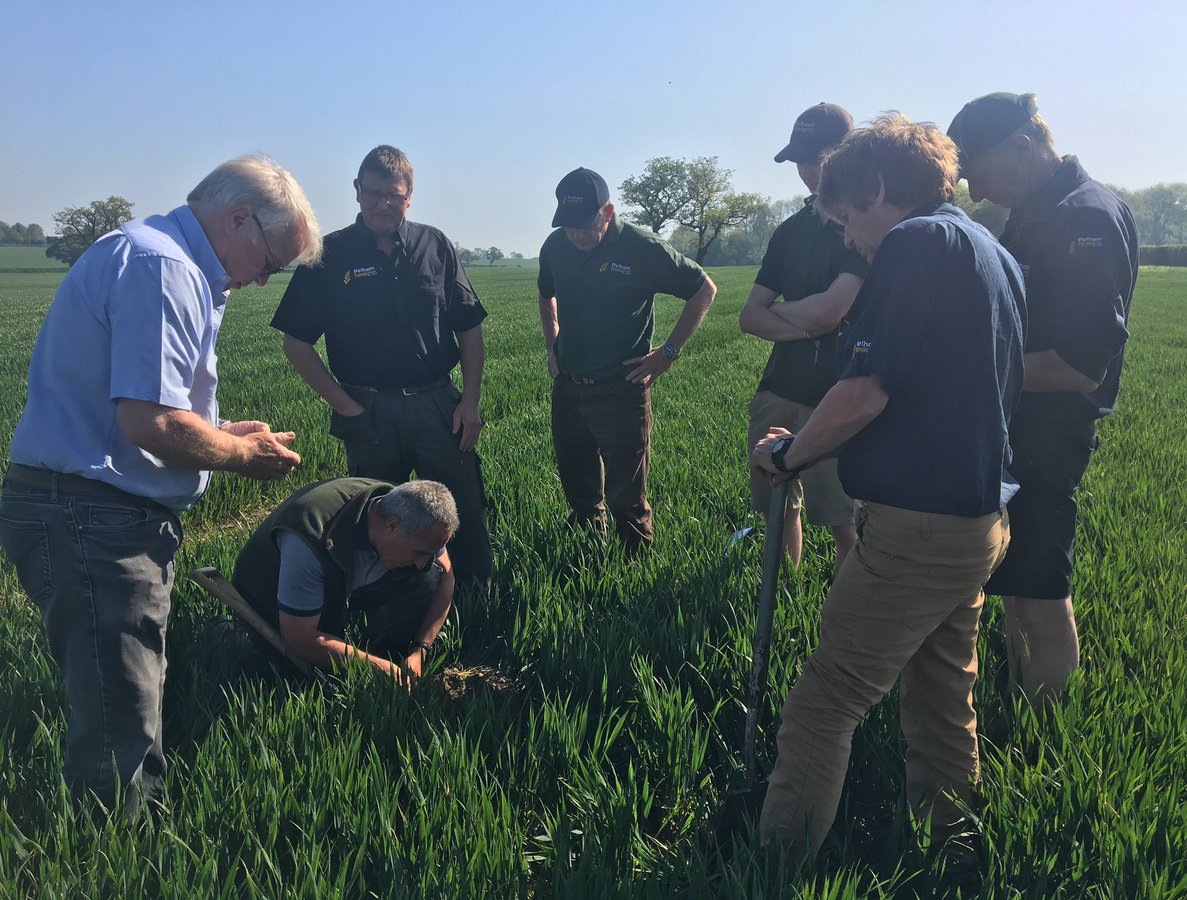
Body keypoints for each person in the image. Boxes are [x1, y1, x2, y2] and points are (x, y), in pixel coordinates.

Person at [0, 156, 322, 817]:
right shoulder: (164, 267)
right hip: (94, 520)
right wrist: (237, 452)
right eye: (272, 261)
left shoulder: (158, 256)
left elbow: (143, 413)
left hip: (89, 509)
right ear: (239, 219)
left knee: (121, 702)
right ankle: (118, 859)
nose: (264, 279)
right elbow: (147, 422)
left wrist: (222, 431)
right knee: (121, 726)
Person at [752, 115, 1026, 857]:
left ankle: (773, 863)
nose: (846, 238)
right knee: (942, 696)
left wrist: (790, 455)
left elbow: (864, 390)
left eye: (845, 217)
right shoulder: (990, 249)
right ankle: (953, 852)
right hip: (976, 522)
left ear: (876, 188)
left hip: (917, 529)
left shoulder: (915, 244)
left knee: (824, 699)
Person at [947, 93, 1138, 705]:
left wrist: (976, 372)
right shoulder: (1034, 212)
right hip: (1016, 426)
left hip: (1048, 433)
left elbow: (1082, 367)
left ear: (1023, 147)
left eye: (974, 168)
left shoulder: (1083, 217)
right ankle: (1018, 698)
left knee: (1038, 592)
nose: (972, 189)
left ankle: (1041, 735)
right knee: (1015, 580)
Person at [272, 145, 493, 591]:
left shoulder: (436, 246)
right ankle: (388, 603)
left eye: (393, 195)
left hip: (437, 403)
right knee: (378, 513)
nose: (382, 204)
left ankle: (476, 593)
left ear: (409, 195)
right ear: (356, 191)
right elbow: (295, 343)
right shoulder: (329, 255)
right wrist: (346, 406)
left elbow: (469, 328)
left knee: (462, 503)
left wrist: (469, 401)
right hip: (368, 410)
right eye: (373, 193)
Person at [537, 168, 717, 554]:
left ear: (607, 212)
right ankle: (586, 559)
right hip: (569, 385)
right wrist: (552, 345)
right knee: (578, 485)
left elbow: (703, 289)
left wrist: (668, 353)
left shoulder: (641, 246)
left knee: (626, 498)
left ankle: (633, 567)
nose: (576, 235)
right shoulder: (555, 247)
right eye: (568, 226)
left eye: (585, 225)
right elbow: (545, 293)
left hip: (622, 388)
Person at [739, 102, 868, 568]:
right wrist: (811, 322)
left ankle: (847, 616)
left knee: (843, 520)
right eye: (801, 162)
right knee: (778, 505)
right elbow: (749, 317)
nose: (809, 171)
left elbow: (834, 312)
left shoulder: (865, 226)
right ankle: (785, 593)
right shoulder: (790, 231)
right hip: (779, 388)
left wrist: (792, 316)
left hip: (838, 392)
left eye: (817, 159)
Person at [231, 478, 456, 683]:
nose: (421, 563)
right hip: (270, 591)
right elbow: (299, 637)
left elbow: (446, 577)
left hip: (347, 577)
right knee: (284, 673)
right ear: (391, 526)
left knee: (429, 576)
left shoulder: (419, 522)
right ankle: (228, 632)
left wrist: (419, 650)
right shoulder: (311, 537)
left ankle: (391, 648)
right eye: (419, 553)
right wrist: (375, 667)